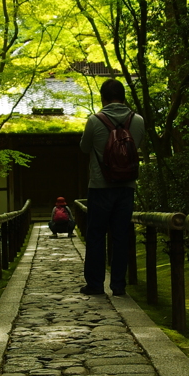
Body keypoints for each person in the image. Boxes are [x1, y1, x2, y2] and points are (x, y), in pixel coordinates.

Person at [78, 78, 146, 297]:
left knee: (96, 235)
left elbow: (84, 147)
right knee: (121, 236)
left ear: (103, 98)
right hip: (126, 186)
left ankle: (95, 284)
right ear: (124, 97)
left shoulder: (94, 120)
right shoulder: (138, 121)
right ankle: (119, 285)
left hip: (100, 186)